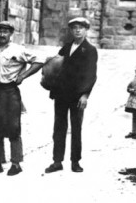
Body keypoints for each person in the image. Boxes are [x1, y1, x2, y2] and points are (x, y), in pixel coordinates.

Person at [0, 20, 45, 176]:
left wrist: (23, 75)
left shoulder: (18, 50)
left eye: (5, 32)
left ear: (10, 34)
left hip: (9, 92)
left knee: (12, 128)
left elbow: (39, 60)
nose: (2, 34)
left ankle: (16, 164)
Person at [44, 17, 98, 174]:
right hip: (61, 94)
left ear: (86, 30)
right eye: (74, 27)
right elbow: (57, 65)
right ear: (71, 30)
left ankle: (75, 162)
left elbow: (91, 75)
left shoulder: (90, 50)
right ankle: (57, 161)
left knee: (76, 128)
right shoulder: (66, 47)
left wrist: (85, 95)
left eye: (81, 27)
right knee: (59, 128)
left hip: (77, 96)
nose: (77, 30)